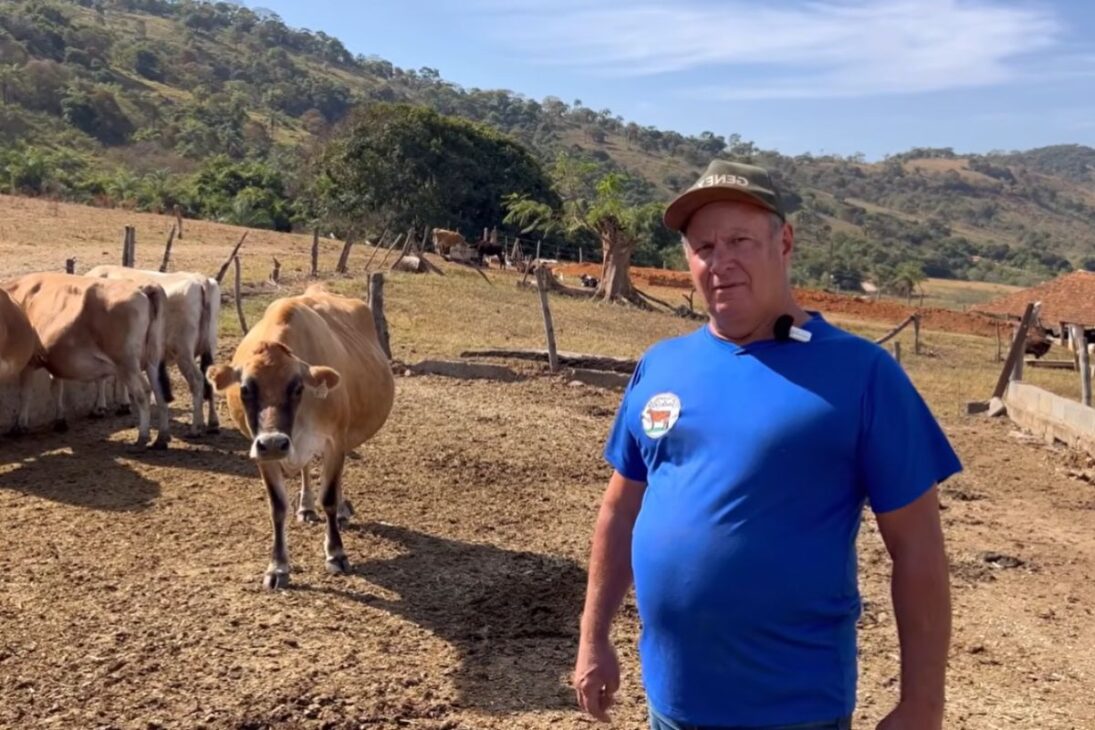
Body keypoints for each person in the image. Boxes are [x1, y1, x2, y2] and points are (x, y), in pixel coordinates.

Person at [573, 160, 961, 730]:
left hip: (794, 711)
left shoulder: (861, 374)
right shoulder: (662, 366)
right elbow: (620, 510)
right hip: (672, 705)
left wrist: (922, 704)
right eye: (704, 247)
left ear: (784, 242)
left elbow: (918, 547)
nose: (720, 261)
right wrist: (593, 638)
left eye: (739, 241)